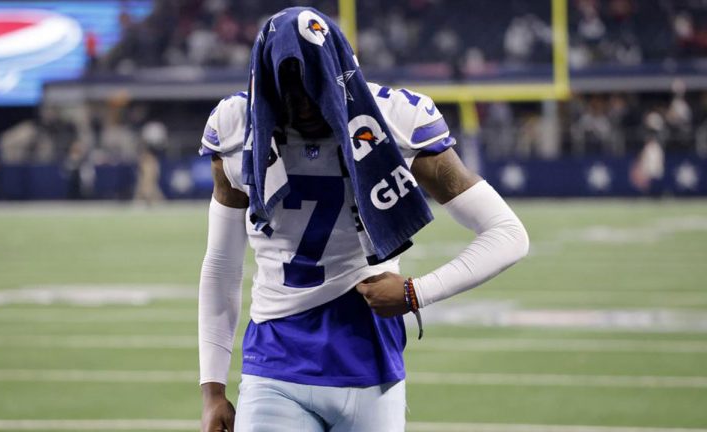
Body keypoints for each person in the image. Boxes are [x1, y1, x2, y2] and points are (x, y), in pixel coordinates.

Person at [198, 8, 529, 432]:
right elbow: (222, 265)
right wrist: (211, 390)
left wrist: (414, 293)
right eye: (290, 93)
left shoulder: (394, 118)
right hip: (274, 361)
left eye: (312, 88)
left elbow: (508, 234)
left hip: (369, 359)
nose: (303, 107)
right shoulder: (235, 126)